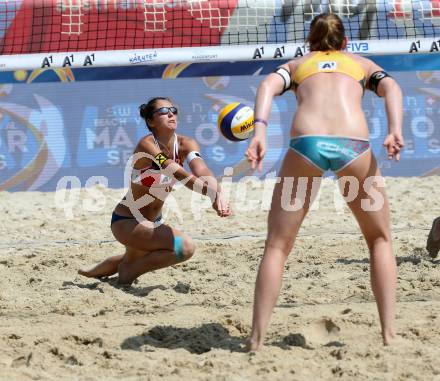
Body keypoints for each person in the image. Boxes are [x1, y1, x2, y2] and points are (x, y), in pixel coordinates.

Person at [245, 13, 404, 349]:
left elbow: (265, 86)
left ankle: (257, 341)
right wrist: (395, 130)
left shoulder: (298, 64)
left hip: (307, 145)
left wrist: (259, 132)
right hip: (353, 146)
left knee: (276, 245)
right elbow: (391, 86)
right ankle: (389, 335)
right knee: (379, 240)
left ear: (310, 41)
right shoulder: (359, 63)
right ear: (344, 42)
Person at [79, 97, 231, 284]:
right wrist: (211, 194)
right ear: (151, 121)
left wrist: (219, 192)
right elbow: (179, 174)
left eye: (173, 110)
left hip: (152, 223)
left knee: (133, 257)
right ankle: (129, 271)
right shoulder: (147, 145)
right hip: (128, 222)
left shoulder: (186, 143)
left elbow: (202, 170)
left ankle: (95, 271)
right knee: (185, 247)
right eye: (163, 111)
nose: (170, 114)